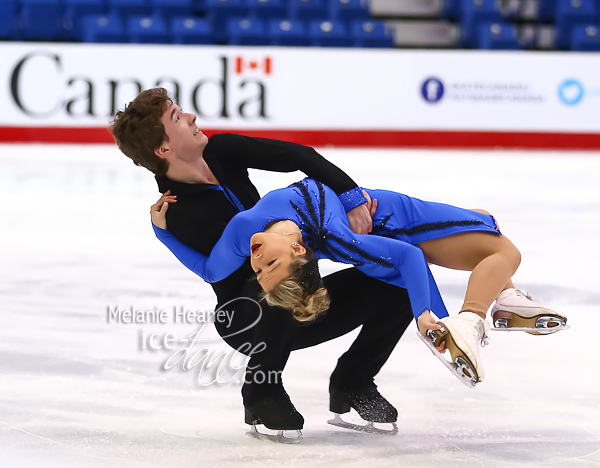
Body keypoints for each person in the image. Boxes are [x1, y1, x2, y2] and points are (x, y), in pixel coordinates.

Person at [110, 88, 414, 435]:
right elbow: (246, 267)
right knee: (275, 275)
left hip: (302, 291)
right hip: (246, 318)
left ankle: (354, 378)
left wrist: (349, 196)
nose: (192, 117)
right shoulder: (177, 211)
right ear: (163, 149)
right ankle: (260, 392)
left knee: (398, 274)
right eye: (178, 118)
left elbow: (297, 155)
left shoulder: (221, 151)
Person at [151, 177, 568, 387]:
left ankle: (508, 300)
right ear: (301, 254)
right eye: (264, 268)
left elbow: (210, 270)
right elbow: (409, 257)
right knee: (503, 251)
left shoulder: (248, 231)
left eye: (262, 266)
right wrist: (429, 314)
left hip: (389, 226)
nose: (256, 261)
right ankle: (476, 318)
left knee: (487, 233)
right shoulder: (320, 236)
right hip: (391, 230)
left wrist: (161, 230)